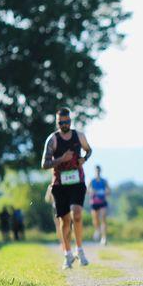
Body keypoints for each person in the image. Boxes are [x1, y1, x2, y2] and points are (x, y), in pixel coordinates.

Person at [41, 107, 93, 269]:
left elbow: (89, 150)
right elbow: (44, 164)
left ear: (70, 121)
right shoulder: (53, 140)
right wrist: (61, 159)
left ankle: (80, 250)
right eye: (61, 122)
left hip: (77, 181)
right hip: (59, 184)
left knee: (77, 214)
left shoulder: (79, 136)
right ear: (57, 123)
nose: (64, 124)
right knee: (65, 220)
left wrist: (84, 159)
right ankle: (67, 255)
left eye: (67, 121)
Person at [88, 165, 110, 245]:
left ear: (100, 171)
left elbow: (109, 191)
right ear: (95, 171)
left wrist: (106, 192)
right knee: (96, 220)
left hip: (102, 202)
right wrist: (92, 192)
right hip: (94, 202)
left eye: (99, 171)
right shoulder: (91, 181)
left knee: (103, 219)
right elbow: (87, 191)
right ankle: (97, 230)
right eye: (96, 171)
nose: (98, 172)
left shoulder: (104, 181)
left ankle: (104, 238)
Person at [45, 183, 64, 251]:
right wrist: (50, 192)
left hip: (63, 206)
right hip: (55, 208)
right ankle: (61, 242)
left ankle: (66, 242)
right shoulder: (50, 186)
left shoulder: (62, 183)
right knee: (58, 226)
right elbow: (47, 199)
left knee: (64, 224)